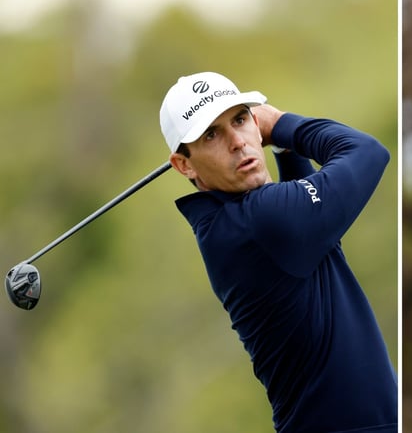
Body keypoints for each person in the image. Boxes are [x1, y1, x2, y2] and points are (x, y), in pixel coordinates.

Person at [158, 71, 397, 432]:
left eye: (239, 120)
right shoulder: (260, 220)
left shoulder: (232, 222)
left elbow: (314, 220)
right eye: (211, 134)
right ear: (184, 164)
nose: (237, 142)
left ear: (254, 124)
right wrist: (284, 126)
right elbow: (367, 152)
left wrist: (285, 147)